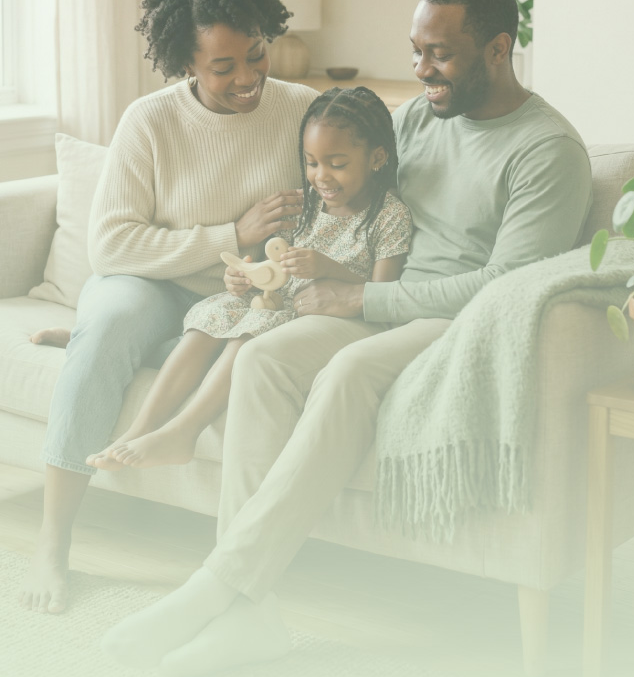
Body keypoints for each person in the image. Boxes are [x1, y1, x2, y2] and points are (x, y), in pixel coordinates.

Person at [101, 0, 594, 677]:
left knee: (350, 370)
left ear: (498, 49)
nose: (422, 71)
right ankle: (253, 618)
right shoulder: (426, 116)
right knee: (264, 359)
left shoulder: (547, 151)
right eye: (416, 50)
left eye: (441, 54)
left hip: (456, 321)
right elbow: (360, 204)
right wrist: (302, 265)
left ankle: (218, 584)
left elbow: (503, 291)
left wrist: (362, 300)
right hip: (380, 299)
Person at [19, 0, 319, 615]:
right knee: (110, 331)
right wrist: (230, 234)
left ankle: (107, 336)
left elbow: (337, 213)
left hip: (244, 292)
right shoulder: (149, 121)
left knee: (229, 327)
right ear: (186, 61)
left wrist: (261, 262)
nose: (248, 78)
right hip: (147, 282)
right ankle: (52, 541)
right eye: (224, 67)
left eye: (257, 54)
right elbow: (113, 244)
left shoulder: (304, 111)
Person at [91, 87, 412, 470]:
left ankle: (184, 432)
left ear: (376, 157)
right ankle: (139, 429)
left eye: (337, 163)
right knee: (209, 322)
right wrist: (244, 276)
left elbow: (382, 297)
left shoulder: (389, 215)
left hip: (325, 318)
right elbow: (269, 260)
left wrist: (328, 268)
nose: (321, 176)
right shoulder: (304, 203)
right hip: (276, 304)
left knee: (247, 335)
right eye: (311, 163)